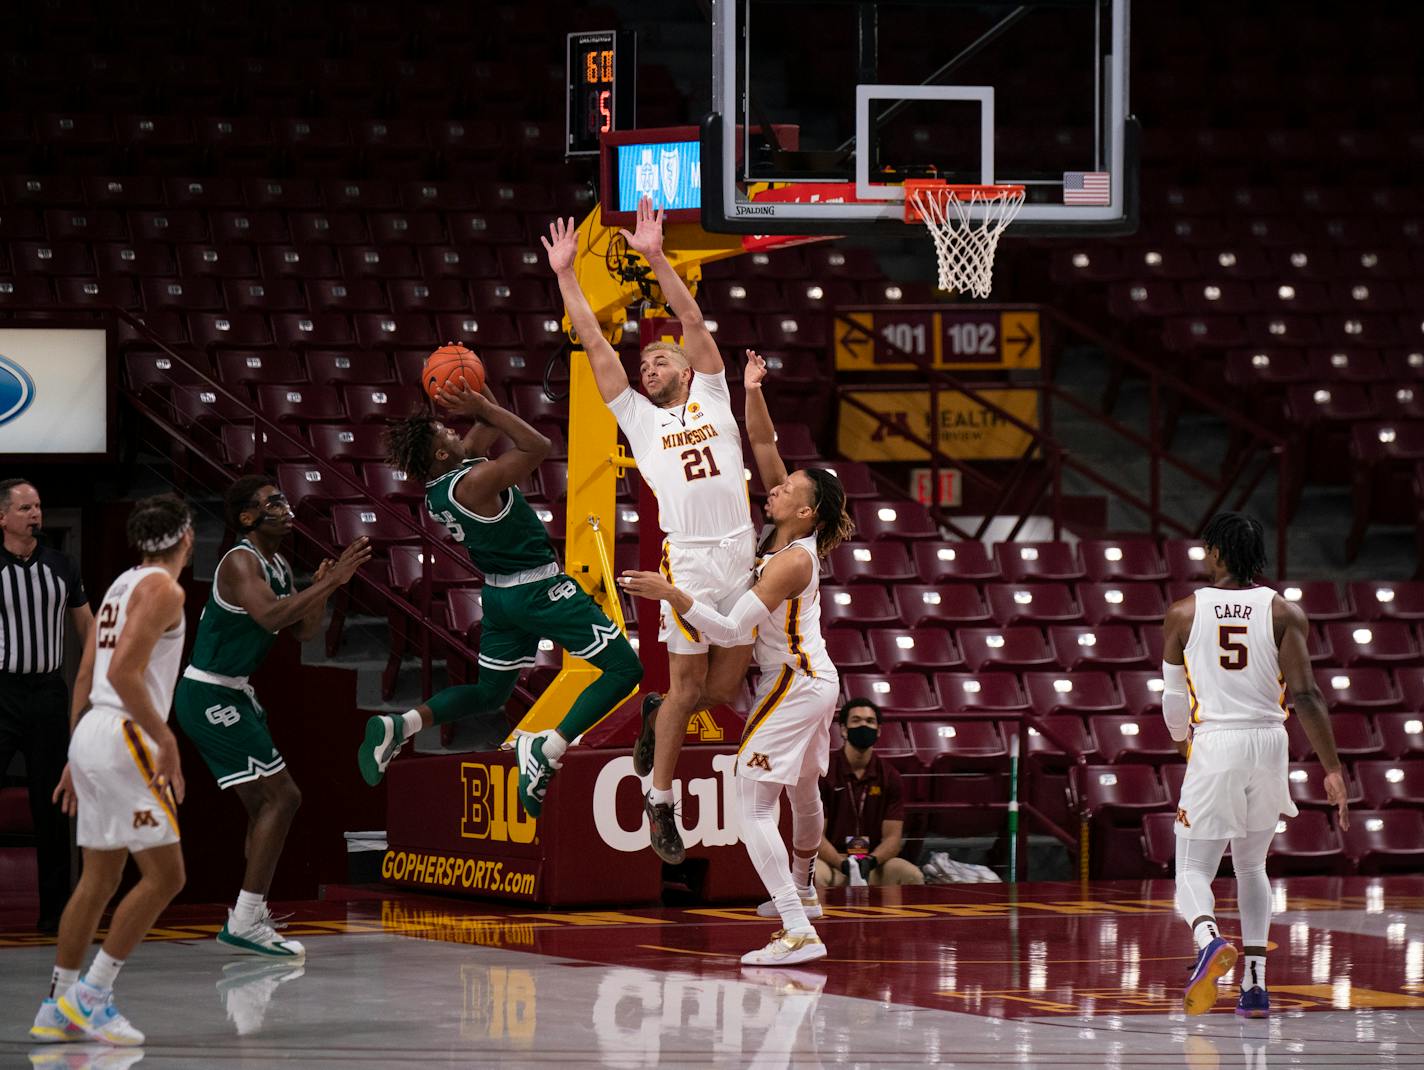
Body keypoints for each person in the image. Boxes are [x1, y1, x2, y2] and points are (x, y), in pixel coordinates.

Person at [619, 348, 853, 966]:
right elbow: (762, 438)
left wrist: (671, 593)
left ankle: (797, 927)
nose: (769, 487)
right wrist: (752, 388)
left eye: (784, 488)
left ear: (803, 510)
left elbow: (725, 624)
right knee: (803, 791)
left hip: (793, 681)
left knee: (752, 798)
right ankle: (802, 892)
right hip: (815, 678)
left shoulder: (788, 559)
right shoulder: (785, 530)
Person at [545, 198, 756, 864]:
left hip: (742, 556)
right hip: (691, 564)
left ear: (687, 371)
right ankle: (660, 802)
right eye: (646, 368)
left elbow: (689, 317)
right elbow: (598, 342)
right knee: (694, 691)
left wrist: (656, 256)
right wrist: (567, 276)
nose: (648, 369)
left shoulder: (714, 392)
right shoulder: (639, 419)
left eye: (659, 363)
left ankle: (657, 707)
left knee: (720, 694)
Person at [361, 383, 642, 819]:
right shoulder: (474, 482)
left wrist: (478, 393)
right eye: (446, 435)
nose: (456, 434)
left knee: (490, 693)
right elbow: (539, 445)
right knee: (626, 669)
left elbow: (488, 422)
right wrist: (484, 406)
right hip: (539, 591)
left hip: (498, 596)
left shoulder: (447, 482)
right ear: (440, 455)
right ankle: (546, 747)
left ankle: (402, 724)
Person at [174, 476, 371, 961]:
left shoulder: (278, 564)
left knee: (267, 808)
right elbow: (270, 618)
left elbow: (303, 631)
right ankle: (244, 917)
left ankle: (249, 912)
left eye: (283, 499)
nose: (285, 507)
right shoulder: (240, 561)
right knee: (284, 797)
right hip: (209, 692)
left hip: (235, 693)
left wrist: (322, 591)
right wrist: (328, 582)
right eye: (272, 502)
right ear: (246, 517)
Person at [1162, 511, 1348, 1019]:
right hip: (1271, 742)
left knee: (1192, 869)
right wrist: (1332, 768)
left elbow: (1174, 702)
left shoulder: (1183, 613)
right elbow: (1307, 696)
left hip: (1217, 741)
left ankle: (1208, 941)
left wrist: (1184, 745)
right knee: (1251, 866)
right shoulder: (1284, 612)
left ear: (1217, 553)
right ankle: (1256, 986)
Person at [30, 495, 192, 1046]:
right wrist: (165, 739)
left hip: (94, 730)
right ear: (186, 538)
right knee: (167, 876)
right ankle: (93, 996)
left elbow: (85, 675)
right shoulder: (165, 590)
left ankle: (57, 1004)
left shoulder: (119, 586)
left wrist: (77, 752)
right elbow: (124, 672)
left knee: (100, 877)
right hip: (126, 733)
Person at [0, 477, 94, 932]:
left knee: (53, 803)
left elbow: (88, 630)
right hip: (1, 691)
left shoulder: (62, 565)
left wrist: (97, 687)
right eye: (24, 508)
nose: (35, 514)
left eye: (38, 506)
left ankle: (55, 914)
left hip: (48, 691)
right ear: (2, 517)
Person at [816, 699, 925, 889]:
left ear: (879, 730)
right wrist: (842, 864)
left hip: (873, 864)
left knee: (911, 874)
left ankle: (900, 920)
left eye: (869, 721)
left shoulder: (890, 776)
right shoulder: (825, 772)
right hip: (833, 863)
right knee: (816, 874)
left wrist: (870, 861)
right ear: (843, 729)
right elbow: (816, 836)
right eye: (856, 720)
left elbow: (893, 838)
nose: (863, 725)